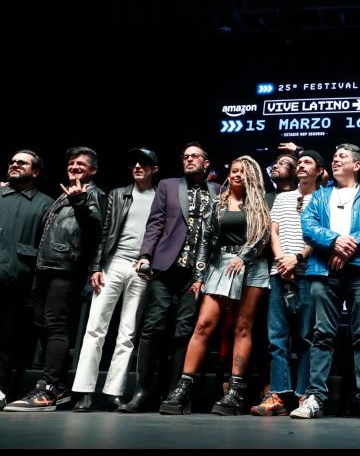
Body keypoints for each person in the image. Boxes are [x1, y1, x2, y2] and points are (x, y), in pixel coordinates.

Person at [160, 155, 271, 415]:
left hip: (252, 264)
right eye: (233, 170)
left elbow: (263, 235)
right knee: (203, 325)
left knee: (243, 327)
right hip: (220, 263)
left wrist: (243, 257)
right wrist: (199, 276)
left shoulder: (260, 205)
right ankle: (184, 388)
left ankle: (234, 392)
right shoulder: (217, 204)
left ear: (251, 176)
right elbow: (203, 242)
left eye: (243, 172)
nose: (236, 175)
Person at [118, 142, 220, 413]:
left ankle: (175, 393)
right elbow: (156, 223)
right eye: (185, 156)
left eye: (195, 156)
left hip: (197, 272)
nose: (189, 160)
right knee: (153, 326)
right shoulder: (168, 185)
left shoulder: (218, 191)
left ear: (206, 162)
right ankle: (143, 392)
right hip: (165, 265)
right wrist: (145, 255)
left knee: (184, 329)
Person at [290, 143, 360, 420]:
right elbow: (308, 227)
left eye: (342, 157)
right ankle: (314, 398)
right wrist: (335, 241)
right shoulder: (320, 196)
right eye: (334, 157)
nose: (335, 160)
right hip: (324, 271)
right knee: (321, 334)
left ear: (356, 165)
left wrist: (347, 249)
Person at [5, 147, 106, 412]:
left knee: (56, 327)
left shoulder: (92, 194)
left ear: (93, 170)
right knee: (42, 326)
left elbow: (96, 229)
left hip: (66, 268)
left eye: (81, 164)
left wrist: (81, 202)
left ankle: (49, 388)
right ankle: (57, 385)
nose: (74, 167)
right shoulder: (65, 194)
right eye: (71, 163)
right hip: (46, 267)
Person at [69, 148, 159, 412]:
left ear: (154, 169)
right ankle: (84, 391)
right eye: (134, 163)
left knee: (128, 333)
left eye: (144, 163)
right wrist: (96, 266)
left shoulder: (160, 198)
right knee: (95, 327)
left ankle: (113, 393)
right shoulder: (118, 194)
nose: (138, 167)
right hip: (114, 263)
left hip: (142, 268)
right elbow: (105, 232)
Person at [251, 150, 325, 416]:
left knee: (306, 337)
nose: (302, 166)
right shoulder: (282, 198)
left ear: (319, 171)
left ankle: (304, 394)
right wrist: (282, 259)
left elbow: (321, 234)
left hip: (309, 272)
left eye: (307, 162)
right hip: (278, 271)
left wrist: (297, 258)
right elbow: (274, 230)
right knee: (277, 339)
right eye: (300, 162)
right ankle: (279, 396)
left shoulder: (324, 197)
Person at [0, 150, 54, 411]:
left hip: (19, 286)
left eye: (22, 162)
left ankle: (2, 390)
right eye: (12, 161)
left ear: (35, 172)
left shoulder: (46, 204)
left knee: (10, 341)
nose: (14, 164)